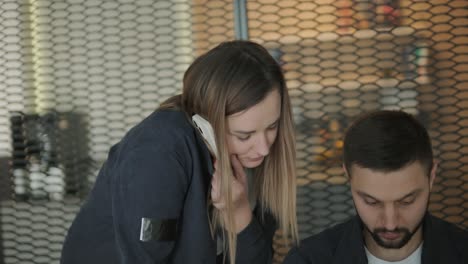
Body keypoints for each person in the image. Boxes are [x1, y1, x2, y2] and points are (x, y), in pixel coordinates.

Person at [61, 40, 299, 264]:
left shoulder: (259, 161)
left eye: (272, 127)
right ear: (208, 123)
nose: (264, 148)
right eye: (244, 136)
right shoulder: (158, 152)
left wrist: (240, 213)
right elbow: (144, 258)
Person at [284, 110, 468, 264]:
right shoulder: (308, 260)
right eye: (371, 202)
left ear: (432, 177)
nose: (390, 223)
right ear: (349, 177)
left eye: (407, 201)